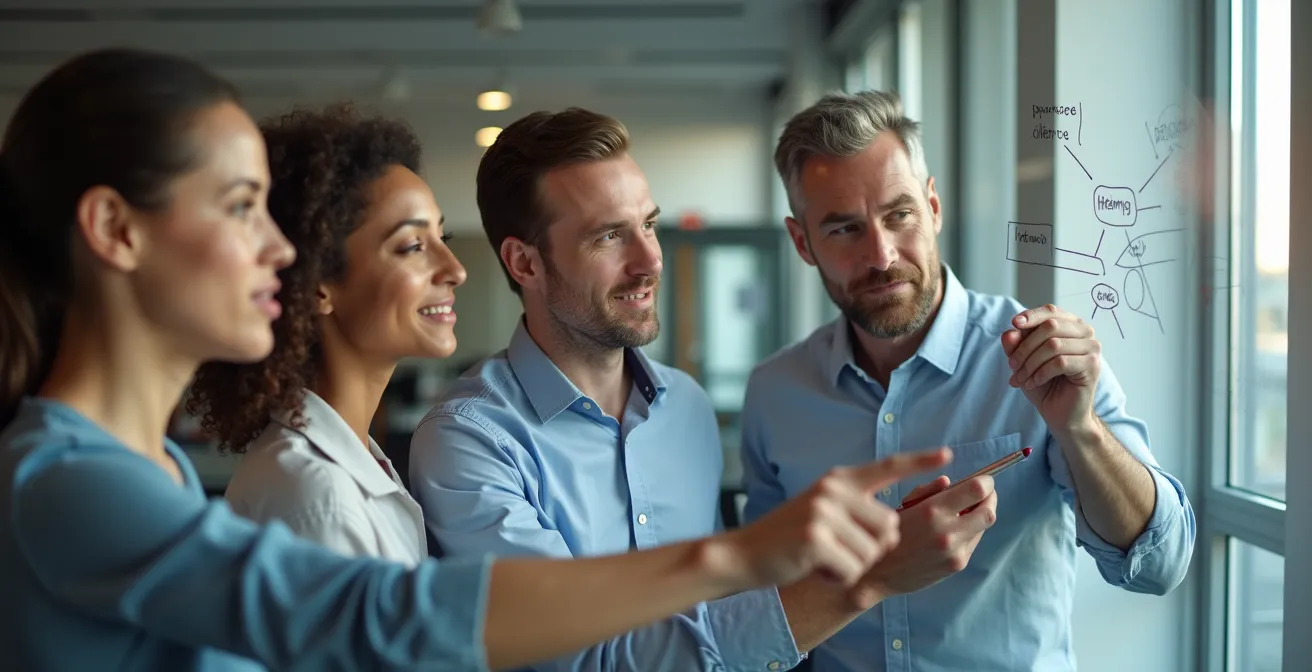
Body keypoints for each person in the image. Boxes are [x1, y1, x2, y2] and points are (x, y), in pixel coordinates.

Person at [0, 49, 944, 671]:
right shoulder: (62, 480)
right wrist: (748, 557)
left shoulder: (147, 469)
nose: (279, 250)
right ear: (116, 230)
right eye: (240, 206)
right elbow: (385, 618)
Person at [408, 107, 964, 671]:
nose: (650, 260)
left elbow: (729, 609)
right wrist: (870, 583)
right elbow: (582, 661)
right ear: (524, 263)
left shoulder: (687, 407)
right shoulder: (469, 442)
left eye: (648, 224)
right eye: (608, 236)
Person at [739, 89, 1197, 671]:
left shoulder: (1045, 358)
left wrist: (1079, 428)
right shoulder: (775, 393)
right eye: (845, 229)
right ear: (803, 242)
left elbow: (1160, 564)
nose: (881, 255)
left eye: (898, 214)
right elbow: (764, 597)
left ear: (932, 208)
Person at [186, 104, 457, 567]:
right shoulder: (318, 497)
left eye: (441, 239)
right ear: (318, 287)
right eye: (413, 246)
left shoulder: (353, 464)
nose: (454, 269)